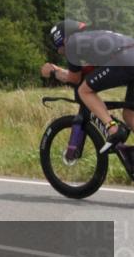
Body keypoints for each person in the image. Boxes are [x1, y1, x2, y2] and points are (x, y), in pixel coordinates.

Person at [42, 20, 134, 170]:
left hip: (125, 59)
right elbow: (85, 73)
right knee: (129, 115)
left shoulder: (73, 42)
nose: (61, 53)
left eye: (60, 49)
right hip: (128, 56)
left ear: (63, 40)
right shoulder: (90, 40)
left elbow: (74, 79)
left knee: (84, 91)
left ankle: (113, 128)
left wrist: (53, 72)